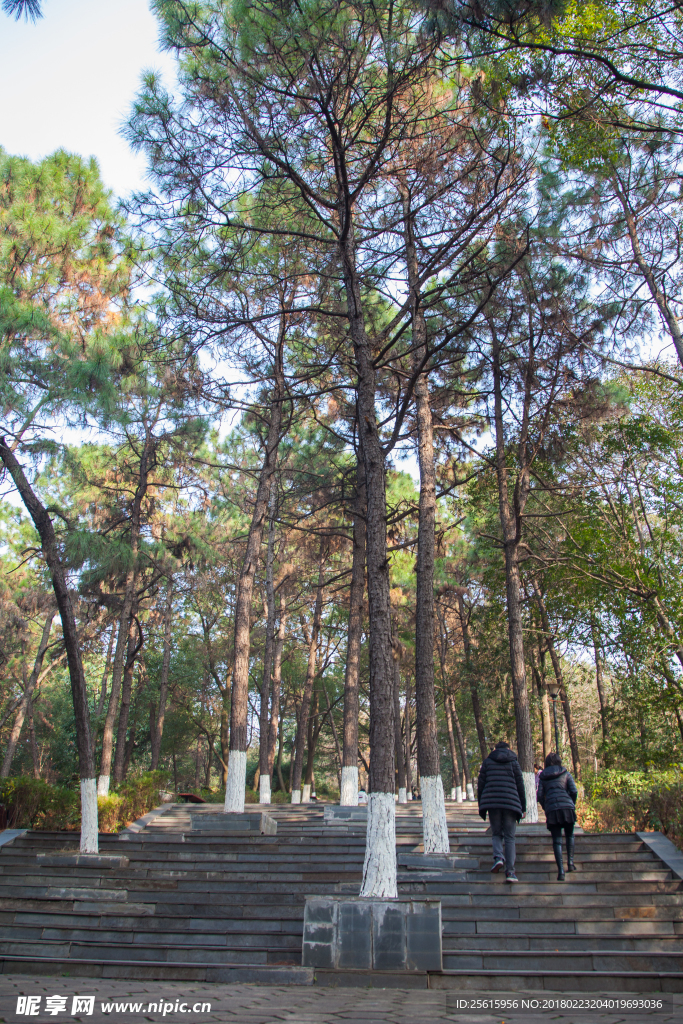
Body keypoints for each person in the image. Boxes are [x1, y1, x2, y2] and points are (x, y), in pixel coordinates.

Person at [477, 740, 527, 883]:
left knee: (497, 833)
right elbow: (520, 785)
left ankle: (498, 857)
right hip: (511, 803)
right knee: (510, 837)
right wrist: (523, 807)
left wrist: (482, 804)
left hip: (493, 802)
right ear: (508, 749)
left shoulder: (487, 762)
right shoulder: (513, 762)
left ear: (495, 749)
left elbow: (481, 784)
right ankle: (510, 872)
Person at [537, 752, 578, 881]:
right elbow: (574, 791)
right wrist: (571, 802)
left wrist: (546, 807)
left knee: (557, 840)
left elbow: (539, 796)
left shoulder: (543, 776)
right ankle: (570, 863)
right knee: (570, 835)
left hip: (552, 809)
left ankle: (560, 871)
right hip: (567, 807)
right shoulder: (566, 774)